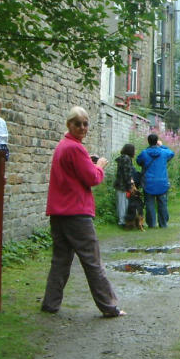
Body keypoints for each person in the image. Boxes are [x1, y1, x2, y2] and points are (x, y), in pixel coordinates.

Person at [41, 106, 125, 317]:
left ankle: (50, 303)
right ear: (69, 124)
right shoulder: (75, 148)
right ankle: (110, 306)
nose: (82, 127)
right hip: (76, 213)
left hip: (58, 212)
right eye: (77, 123)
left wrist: (90, 162)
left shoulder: (63, 146)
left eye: (85, 123)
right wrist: (100, 166)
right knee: (92, 261)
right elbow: (92, 178)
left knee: (60, 260)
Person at [137, 133, 174, 228]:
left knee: (149, 204)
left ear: (148, 141)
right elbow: (171, 153)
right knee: (162, 203)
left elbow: (138, 161)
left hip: (148, 182)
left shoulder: (144, 153)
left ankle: (152, 223)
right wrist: (162, 145)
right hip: (162, 182)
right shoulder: (163, 152)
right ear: (157, 141)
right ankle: (163, 223)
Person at [113, 144, 136, 227]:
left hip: (120, 183)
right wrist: (130, 185)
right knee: (123, 203)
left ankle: (122, 220)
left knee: (122, 203)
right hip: (123, 185)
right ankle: (122, 221)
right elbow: (127, 173)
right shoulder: (126, 159)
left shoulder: (123, 158)